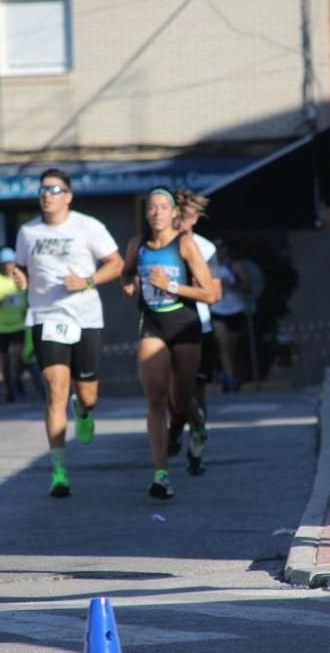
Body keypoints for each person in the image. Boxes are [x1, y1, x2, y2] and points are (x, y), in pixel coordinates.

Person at [12, 168, 124, 498]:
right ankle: (59, 470)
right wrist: (18, 276)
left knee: (88, 394)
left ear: (68, 196)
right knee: (54, 388)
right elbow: (18, 266)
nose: (47, 194)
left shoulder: (88, 226)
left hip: (85, 316)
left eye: (55, 189)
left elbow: (116, 264)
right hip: (46, 316)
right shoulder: (27, 231)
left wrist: (87, 281)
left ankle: (85, 409)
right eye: (43, 189)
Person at [120, 186, 217, 499]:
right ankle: (161, 474)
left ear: (174, 212)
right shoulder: (137, 245)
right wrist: (130, 284)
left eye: (163, 207)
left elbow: (210, 293)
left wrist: (171, 285)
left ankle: (197, 422)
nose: (157, 213)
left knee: (180, 400)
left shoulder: (186, 244)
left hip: (184, 324)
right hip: (152, 324)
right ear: (146, 212)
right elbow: (126, 273)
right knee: (156, 399)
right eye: (152, 207)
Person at [166, 189, 221, 460]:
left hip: (197, 326)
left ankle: (196, 442)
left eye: (187, 217)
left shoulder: (206, 248)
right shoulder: (158, 245)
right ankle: (176, 428)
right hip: (163, 324)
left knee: (194, 392)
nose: (181, 222)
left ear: (196, 218)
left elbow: (215, 293)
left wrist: (179, 287)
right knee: (169, 391)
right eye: (177, 215)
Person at [0, 247, 28, 402]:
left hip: (18, 325)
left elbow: (27, 301)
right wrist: (1, 300)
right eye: (4, 263)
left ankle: (18, 379)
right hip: (2, 327)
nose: (7, 266)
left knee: (18, 356)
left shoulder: (20, 278)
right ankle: (9, 390)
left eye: (9, 263)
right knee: (4, 362)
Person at [209, 240, 251, 392]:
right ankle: (230, 376)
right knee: (223, 345)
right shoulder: (209, 267)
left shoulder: (234, 266)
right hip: (218, 311)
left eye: (222, 248)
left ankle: (235, 375)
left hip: (235, 309)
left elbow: (248, 286)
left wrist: (231, 284)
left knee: (235, 346)